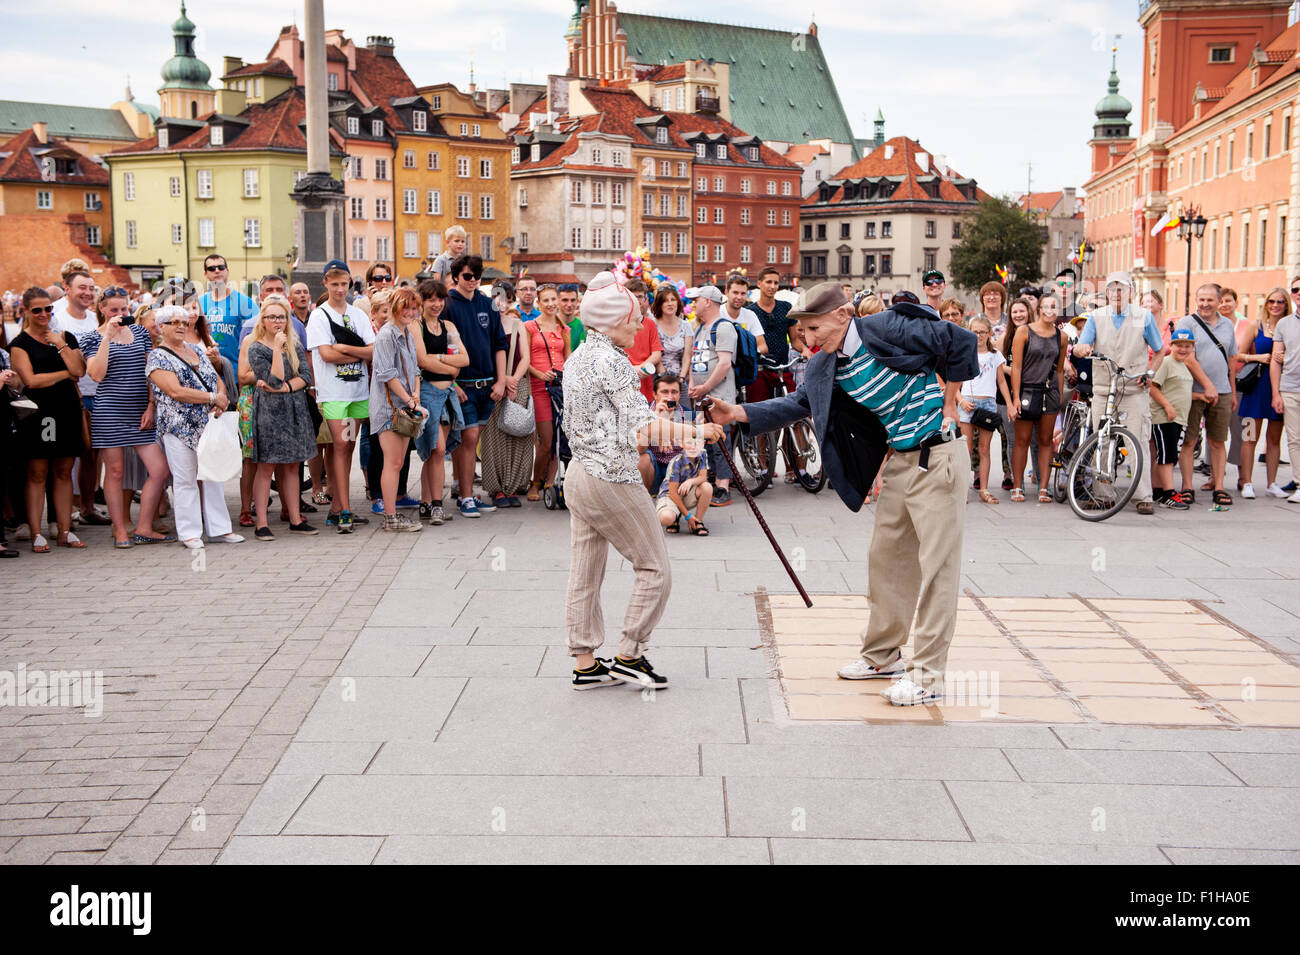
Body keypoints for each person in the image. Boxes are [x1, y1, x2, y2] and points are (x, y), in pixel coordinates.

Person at [708, 282, 977, 706]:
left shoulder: (889, 327)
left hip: (938, 455)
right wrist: (738, 412)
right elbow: (800, 403)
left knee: (938, 566)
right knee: (886, 559)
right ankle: (883, 656)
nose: (809, 340)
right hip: (902, 460)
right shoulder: (823, 366)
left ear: (842, 315)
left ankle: (928, 676)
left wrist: (949, 402)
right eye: (803, 334)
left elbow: (961, 340)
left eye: (814, 329)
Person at [562, 272, 724, 691]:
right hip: (611, 477)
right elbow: (642, 430)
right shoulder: (613, 362)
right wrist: (695, 432)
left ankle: (584, 662)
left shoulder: (579, 355)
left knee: (585, 571)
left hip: (579, 473)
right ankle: (629, 654)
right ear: (613, 319)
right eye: (634, 319)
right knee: (655, 568)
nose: (639, 326)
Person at [1071, 271, 1172, 515]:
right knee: (1102, 440)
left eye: (1122, 289)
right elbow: (1080, 347)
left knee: (1136, 441)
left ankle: (1143, 496)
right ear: (1106, 293)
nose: (1117, 294)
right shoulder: (1096, 316)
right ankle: (1103, 495)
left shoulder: (1142, 317)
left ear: (1131, 293)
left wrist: (1150, 373)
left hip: (1133, 386)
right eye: (1112, 289)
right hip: (1104, 388)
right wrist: (1083, 348)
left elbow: (1159, 350)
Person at [80, 286, 172, 548]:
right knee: (116, 472)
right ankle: (120, 529)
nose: (120, 314)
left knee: (159, 469)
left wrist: (151, 406)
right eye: (114, 310)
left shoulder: (141, 332)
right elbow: (96, 374)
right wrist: (107, 337)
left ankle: (143, 526)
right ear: (102, 310)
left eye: (124, 309)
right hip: (109, 410)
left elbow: (150, 372)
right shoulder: (91, 337)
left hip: (140, 410)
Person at [146, 305, 242, 549]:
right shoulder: (158, 356)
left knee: (213, 476)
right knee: (185, 479)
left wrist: (222, 399)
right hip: (178, 427)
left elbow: (216, 379)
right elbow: (174, 391)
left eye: (183, 322)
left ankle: (220, 529)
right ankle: (189, 533)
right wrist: (212, 398)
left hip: (207, 424)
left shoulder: (193, 350)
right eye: (173, 322)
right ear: (161, 327)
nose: (181, 326)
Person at [10, 286, 88, 551]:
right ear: (26, 311)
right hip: (39, 412)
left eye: (48, 309)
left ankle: (65, 531)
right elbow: (31, 380)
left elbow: (79, 370)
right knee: (37, 472)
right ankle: (36, 533)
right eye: (37, 310)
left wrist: (60, 344)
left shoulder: (65, 337)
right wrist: (65, 375)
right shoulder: (20, 344)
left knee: (64, 471)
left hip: (66, 409)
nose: (44, 314)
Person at [306, 260, 376, 533]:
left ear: (349, 284)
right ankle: (344, 508)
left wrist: (345, 347)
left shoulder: (358, 315)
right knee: (339, 444)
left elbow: (372, 351)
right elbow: (325, 355)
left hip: (357, 390)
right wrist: (355, 351)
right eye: (334, 284)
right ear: (326, 283)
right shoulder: (319, 316)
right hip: (334, 392)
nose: (339, 289)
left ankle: (337, 507)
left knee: (348, 447)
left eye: (343, 284)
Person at [242, 295, 318, 541]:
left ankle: (296, 519)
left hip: (294, 409)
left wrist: (286, 388)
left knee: (293, 466)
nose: (277, 321)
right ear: (262, 320)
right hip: (269, 413)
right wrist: (276, 349)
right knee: (266, 467)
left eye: (281, 317)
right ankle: (262, 523)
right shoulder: (255, 347)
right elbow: (272, 378)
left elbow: (305, 376)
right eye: (272, 316)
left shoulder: (294, 344)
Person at [443, 254, 506, 517]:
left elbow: (499, 344)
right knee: (468, 439)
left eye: (477, 277)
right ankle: (467, 497)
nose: (472, 281)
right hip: (463, 384)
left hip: (487, 384)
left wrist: (501, 380)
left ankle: (461, 487)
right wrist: (452, 383)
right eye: (468, 276)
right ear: (457, 276)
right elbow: (440, 346)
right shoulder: (447, 304)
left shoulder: (487, 304)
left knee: (469, 440)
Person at [50, 264, 109, 527]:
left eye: (90, 288)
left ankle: (87, 506)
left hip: (98, 392)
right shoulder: (57, 316)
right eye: (81, 288)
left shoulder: (95, 318)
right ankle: (68, 509)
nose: (87, 293)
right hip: (70, 393)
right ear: (67, 288)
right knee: (69, 454)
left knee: (92, 455)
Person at [366, 287, 424, 532]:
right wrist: (410, 401)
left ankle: (393, 515)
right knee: (392, 462)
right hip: (390, 408)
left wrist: (416, 394)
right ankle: (390, 518)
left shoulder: (407, 333)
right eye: (405, 307)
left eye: (413, 308)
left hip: (405, 405)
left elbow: (415, 369)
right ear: (394, 308)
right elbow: (386, 374)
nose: (410, 312)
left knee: (398, 462)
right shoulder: (386, 335)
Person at [1176, 285, 1238, 507]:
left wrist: (1231, 390)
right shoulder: (1187, 323)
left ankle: (1219, 486)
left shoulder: (1227, 325)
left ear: (1219, 301)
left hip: (1221, 391)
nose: (1204, 304)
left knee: (1218, 441)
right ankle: (1186, 486)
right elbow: (1188, 358)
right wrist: (1208, 385)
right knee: (1190, 441)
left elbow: (1231, 359)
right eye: (1201, 299)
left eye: (1210, 300)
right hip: (1193, 391)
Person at [412, 278, 467, 525]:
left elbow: (465, 359)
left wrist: (439, 358)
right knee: (438, 450)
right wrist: (449, 366)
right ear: (421, 301)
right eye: (430, 299)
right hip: (428, 393)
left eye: (440, 299)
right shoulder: (416, 325)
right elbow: (421, 361)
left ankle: (426, 503)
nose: (436, 304)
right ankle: (436, 505)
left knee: (435, 454)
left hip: (447, 395)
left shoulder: (448, 325)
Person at [478, 288, 532, 509]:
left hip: (517, 385)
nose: (499, 302)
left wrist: (514, 380)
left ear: (510, 300)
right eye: (494, 298)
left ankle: (514, 486)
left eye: (503, 297)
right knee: (493, 440)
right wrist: (503, 379)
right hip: (494, 385)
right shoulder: (482, 325)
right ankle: (497, 488)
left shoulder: (518, 325)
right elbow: (481, 355)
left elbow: (525, 357)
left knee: (519, 435)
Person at [1008, 296, 1067, 503]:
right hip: (1027, 391)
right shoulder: (1024, 331)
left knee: (1045, 441)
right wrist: (1015, 397)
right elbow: (1016, 366)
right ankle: (1017, 486)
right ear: (1039, 308)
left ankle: (1044, 488)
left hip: (1049, 392)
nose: (1050, 310)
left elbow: (1059, 370)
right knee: (1022, 441)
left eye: (1054, 307)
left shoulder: (1062, 337)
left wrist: (1058, 398)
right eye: (1046, 306)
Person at [1234, 287, 1287, 499]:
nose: (1275, 305)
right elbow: (1238, 354)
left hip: (1279, 388)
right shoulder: (1256, 327)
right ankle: (1246, 482)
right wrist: (1259, 357)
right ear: (1266, 304)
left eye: (1280, 302)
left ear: (1286, 305)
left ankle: (1272, 483)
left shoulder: (1289, 327)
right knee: (1249, 437)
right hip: (1255, 387)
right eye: (1271, 301)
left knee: (1274, 439)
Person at [686, 284, 736, 506]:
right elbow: (694, 359)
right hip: (702, 396)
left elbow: (724, 364)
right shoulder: (700, 328)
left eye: (697, 300)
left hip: (719, 396)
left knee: (720, 441)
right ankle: (714, 481)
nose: (694, 304)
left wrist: (704, 387)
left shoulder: (723, 328)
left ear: (708, 301)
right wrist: (692, 384)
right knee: (706, 440)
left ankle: (723, 487)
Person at [524, 284, 569, 501]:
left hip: (560, 387)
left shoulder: (564, 328)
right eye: (546, 301)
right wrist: (540, 374)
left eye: (554, 300)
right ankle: (536, 482)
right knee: (546, 440)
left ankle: (550, 482)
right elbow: (524, 359)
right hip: (539, 387)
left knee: (560, 438)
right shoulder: (530, 326)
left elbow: (568, 358)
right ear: (538, 303)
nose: (551, 304)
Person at [960, 315, 1011, 504]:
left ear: (989, 333)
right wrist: (960, 400)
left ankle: (984, 489)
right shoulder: (965, 352)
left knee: (984, 449)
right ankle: (962, 491)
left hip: (987, 403)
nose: (979, 336)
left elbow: (1001, 381)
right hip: (967, 402)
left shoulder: (995, 354)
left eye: (982, 332)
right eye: (975, 332)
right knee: (966, 449)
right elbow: (954, 381)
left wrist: (1010, 402)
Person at [1149, 329, 1197, 509]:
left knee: (1167, 455)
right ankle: (1169, 493)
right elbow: (1153, 387)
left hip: (1179, 419)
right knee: (1167, 456)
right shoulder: (1166, 363)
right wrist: (1167, 406)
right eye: (1179, 345)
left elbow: (1180, 391)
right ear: (1171, 345)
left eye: (1187, 346)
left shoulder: (1184, 366)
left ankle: (1158, 490)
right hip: (1164, 418)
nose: (1183, 349)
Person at [198, 253, 258, 379]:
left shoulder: (244, 302)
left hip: (236, 374)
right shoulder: (199, 303)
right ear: (205, 274)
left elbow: (258, 333)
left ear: (227, 271)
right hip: (206, 375)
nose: (217, 271)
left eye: (221, 267)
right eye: (211, 268)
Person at [639, 374, 693, 494]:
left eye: (674, 392)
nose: (670, 396)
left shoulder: (689, 414)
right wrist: (655, 419)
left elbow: (696, 453)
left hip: (676, 469)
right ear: (654, 394)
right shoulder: (643, 413)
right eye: (664, 391)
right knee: (642, 457)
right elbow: (638, 448)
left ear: (679, 394)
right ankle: (646, 497)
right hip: (653, 469)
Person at [1270, 289, 1300, 502]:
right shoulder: (1284, 324)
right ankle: (1299, 483)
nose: (1299, 293)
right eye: (1296, 289)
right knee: (1294, 440)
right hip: (1290, 388)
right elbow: (1275, 360)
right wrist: (1276, 394)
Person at [656, 433, 713, 535]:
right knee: (666, 518)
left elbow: (703, 477)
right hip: (670, 496)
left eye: (697, 443)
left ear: (703, 444)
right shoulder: (676, 462)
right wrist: (687, 516)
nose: (693, 447)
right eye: (689, 442)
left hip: (686, 493)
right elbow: (673, 493)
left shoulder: (703, 453)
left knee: (707, 487)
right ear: (681, 443)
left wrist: (690, 481)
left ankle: (697, 522)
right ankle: (675, 517)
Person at [650, 283, 692, 399]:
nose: (670, 303)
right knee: (662, 414)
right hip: (658, 380)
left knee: (685, 414)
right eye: (665, 301)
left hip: (679, 381)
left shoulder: (686, 326)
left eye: (673, 300)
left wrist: (681, 378)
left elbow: (687, 356)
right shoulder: (652, 324)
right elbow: (654, 352)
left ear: (678, 302)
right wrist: (663, 376)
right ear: (660, 304)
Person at [624, 278, 662, 402]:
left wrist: (642, 368)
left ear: (645, 299)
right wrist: (631, 369)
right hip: (623, 380)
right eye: (632, 296)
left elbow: (656, 353)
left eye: (640, 296)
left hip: (644, 381)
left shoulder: (650, 324)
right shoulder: (618, 323)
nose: (636, 300)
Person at [722, 273, 769, 356]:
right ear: (726, 292)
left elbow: (762, 346)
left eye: (743, 293)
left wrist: (748, 354)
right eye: (735, 293)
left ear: (747, 294)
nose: (739, 297)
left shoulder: (750, 315)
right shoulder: (718, 313)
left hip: (744, 364)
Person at [559, 285, 585, 351]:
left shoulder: (582, 327)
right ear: (557, 301)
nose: (569, 304)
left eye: (573, 300)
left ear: (577, 301)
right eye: (565, 300)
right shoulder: (550, 324)